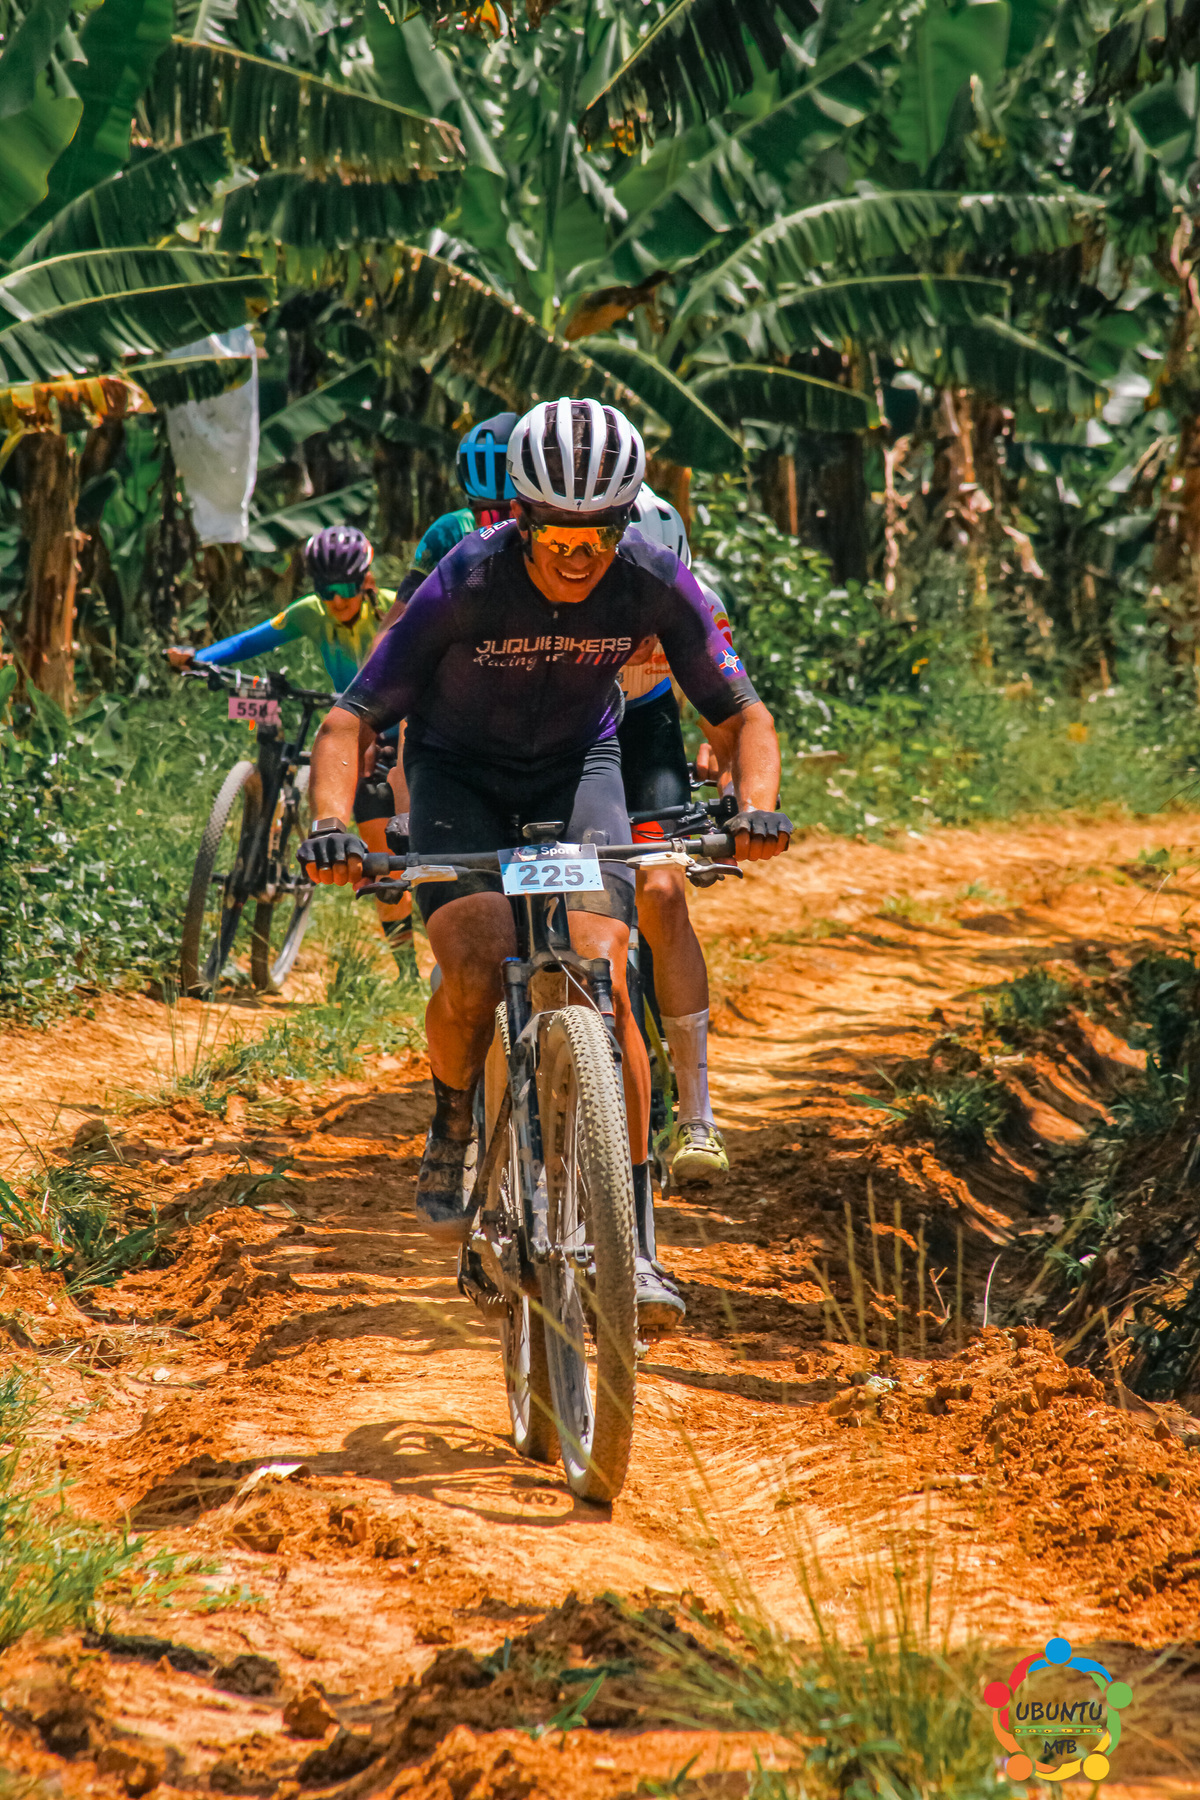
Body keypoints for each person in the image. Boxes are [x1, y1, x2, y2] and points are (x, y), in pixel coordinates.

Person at [297, 398, 791, 1333]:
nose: (578, 554)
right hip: (457, 773)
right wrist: (331, 823)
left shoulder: (651, 577)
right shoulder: (466, 579)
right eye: (558, 534)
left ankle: (631, 1241)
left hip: (579, 769)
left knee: (602, 971)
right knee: (478, 962)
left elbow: (743, 713)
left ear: (625, 520)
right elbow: (349, 719)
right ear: (521, 517)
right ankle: (454, 1118)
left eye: (598, 534)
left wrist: (757, 806)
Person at [167, 526, 416, 973]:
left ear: (366, 581)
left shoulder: (398, 610)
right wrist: (200, 658)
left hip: (392, 732)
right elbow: (253, 639)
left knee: (389, 860)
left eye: (345, 589)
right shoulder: (310, 613)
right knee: (376, 860)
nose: (336, 600)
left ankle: (408, 967)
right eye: (325, 590)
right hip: (348, 727)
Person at [620, 484, 737, 1183]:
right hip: (555, 736)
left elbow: (729, 711)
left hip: (646, 732)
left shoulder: (702, 603)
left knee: (661, 894)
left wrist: (734, 796)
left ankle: (697, 1114)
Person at [382, 412, 518, 622]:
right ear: (471, 508)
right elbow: (397, 621)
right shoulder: (449, 533)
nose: (502, 527)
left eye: (515, 518)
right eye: (490, 517)